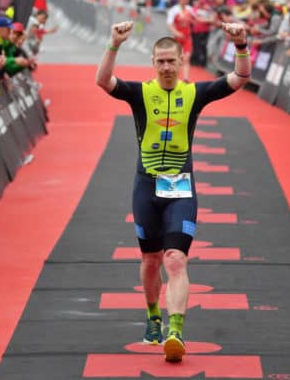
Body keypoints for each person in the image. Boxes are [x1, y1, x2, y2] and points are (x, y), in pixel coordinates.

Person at [95, 20, 251, 363]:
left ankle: (175, 330)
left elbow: (239, 79)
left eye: (172, 61)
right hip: (146, 185)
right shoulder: (139, 92)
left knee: (176, 259)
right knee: (151, 259)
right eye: (160, 61)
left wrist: (241, 46)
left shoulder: (194, 93)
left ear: (182, 63)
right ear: (153, 63)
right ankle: (153, 316)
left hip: (180, 186)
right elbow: (103, 82)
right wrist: (114, 45)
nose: (166, 67)